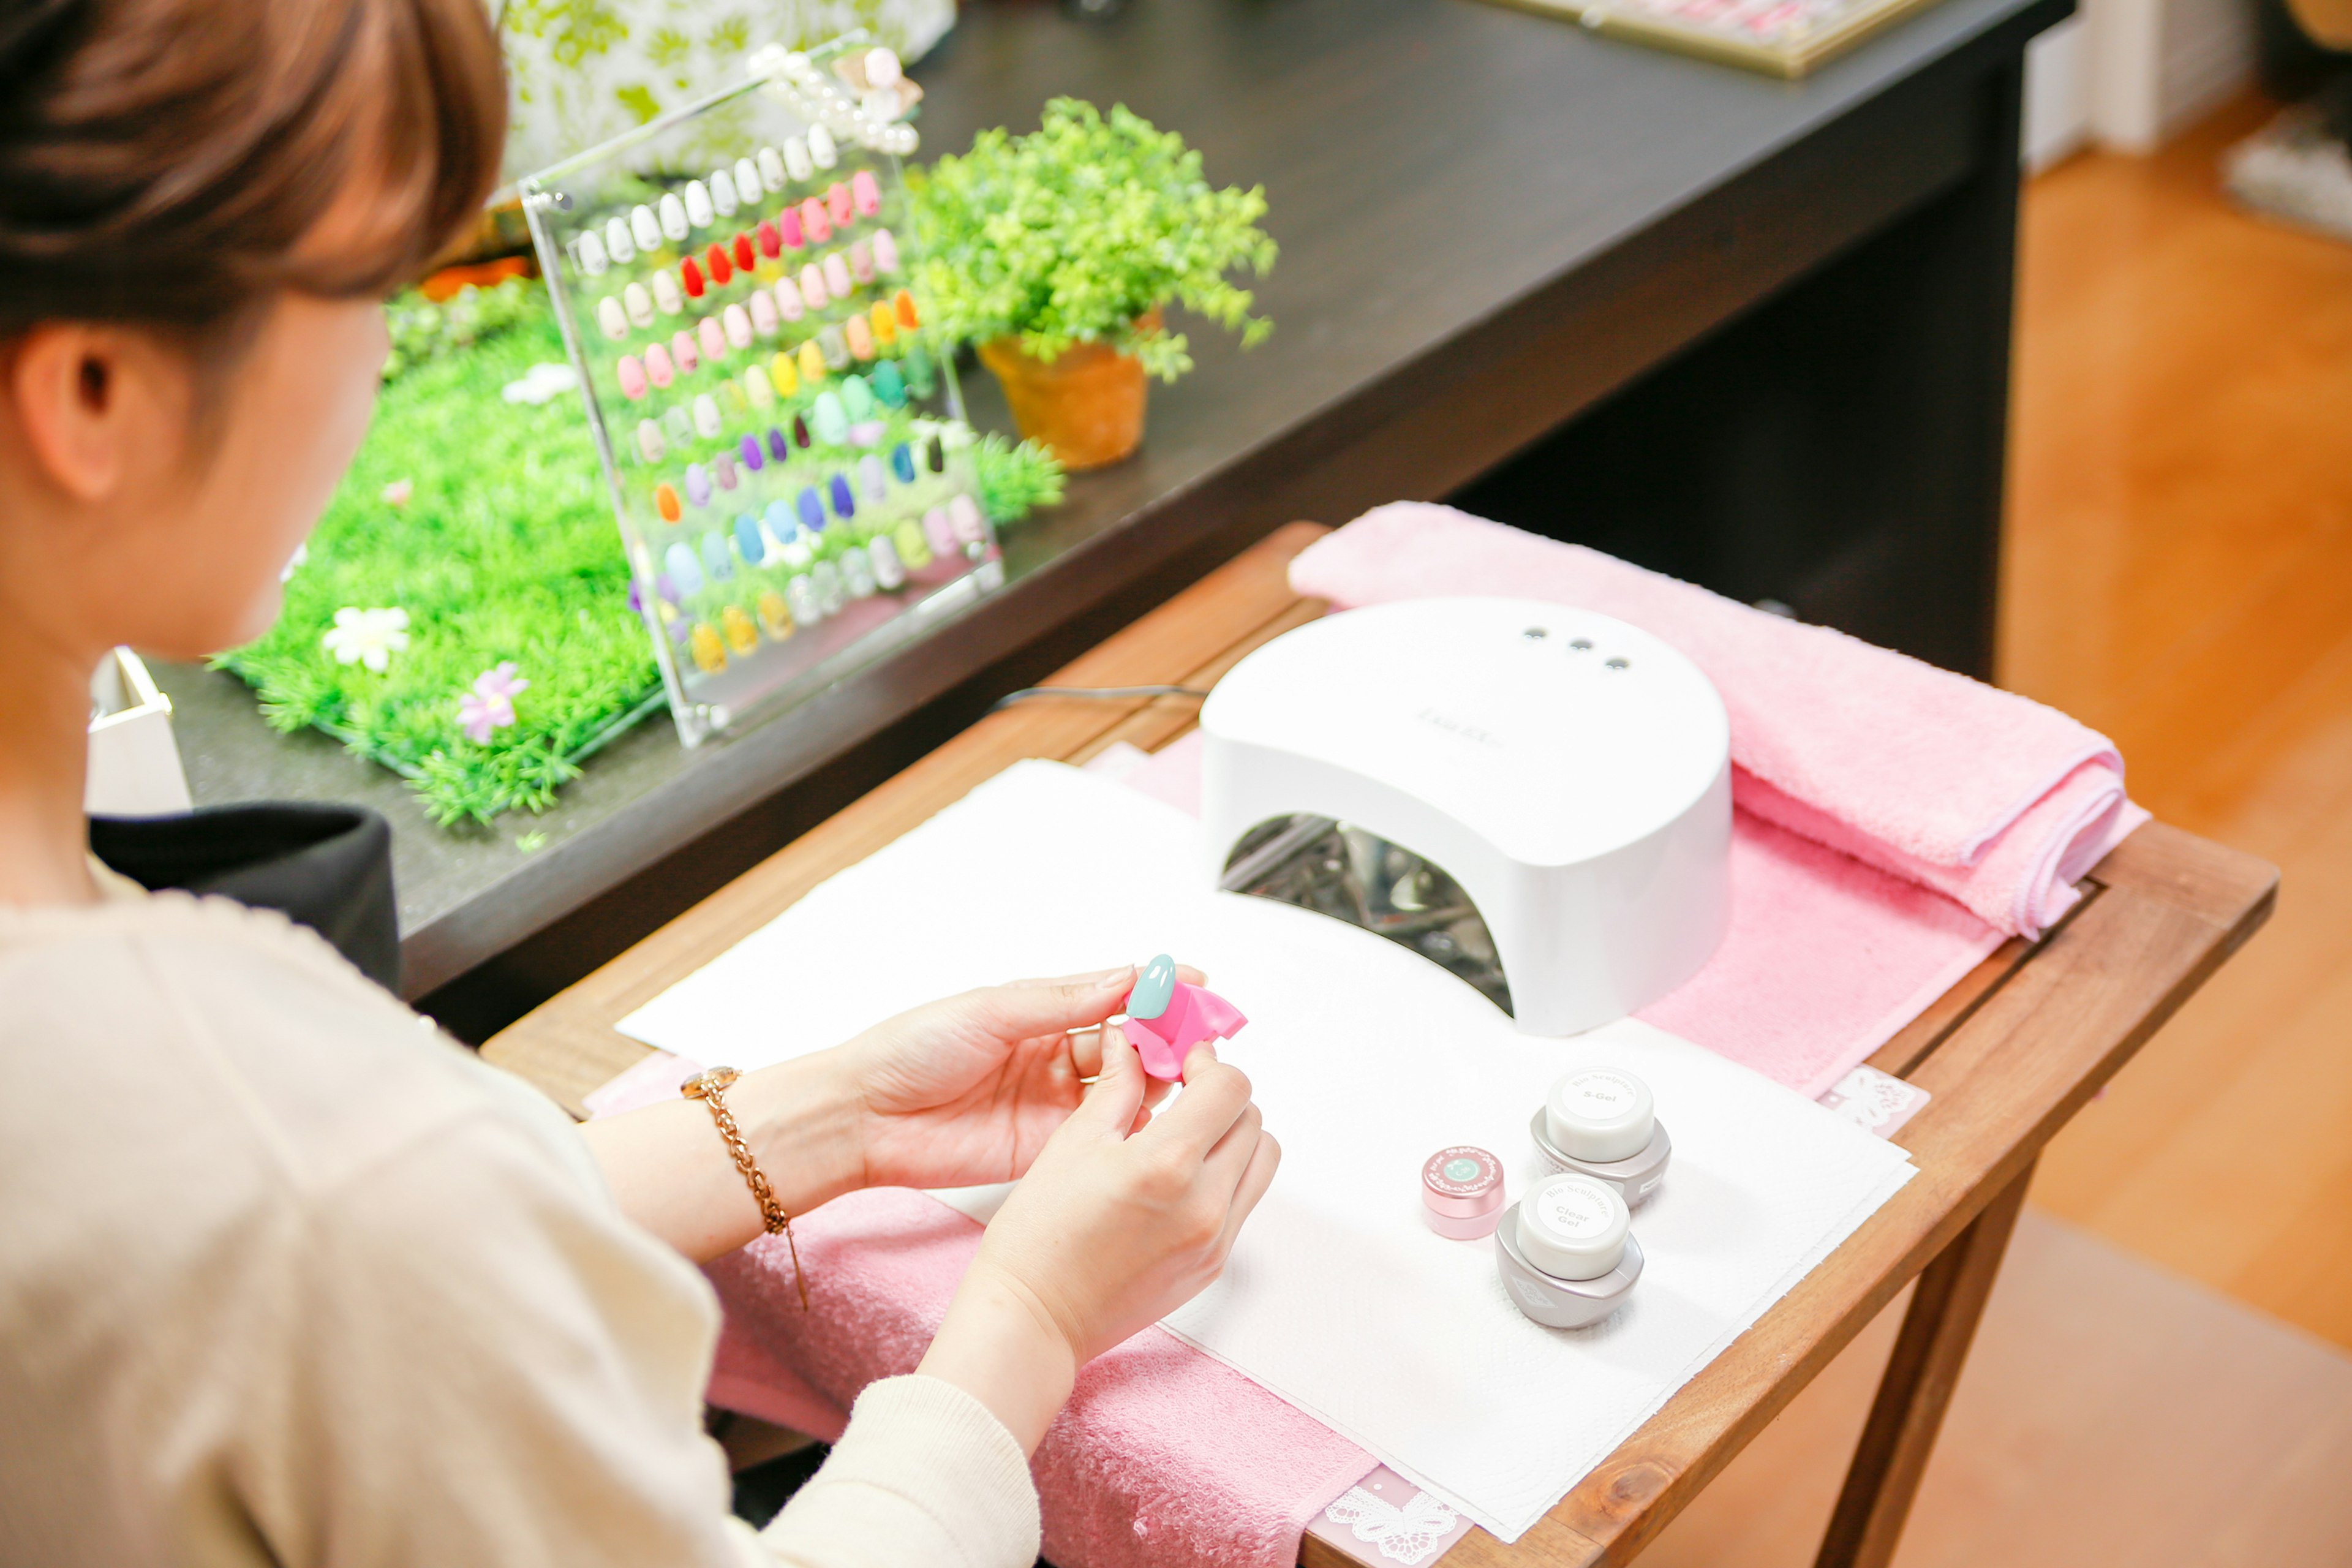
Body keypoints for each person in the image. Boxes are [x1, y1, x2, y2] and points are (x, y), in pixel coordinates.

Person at [0, 2, 1280, 1564]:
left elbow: (365, 1261)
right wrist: (1030, 1312)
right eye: (359, 294)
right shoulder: (280, 1147)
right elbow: (342, 1232)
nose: (384, 357)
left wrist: (836, 1116)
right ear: (87, 394)